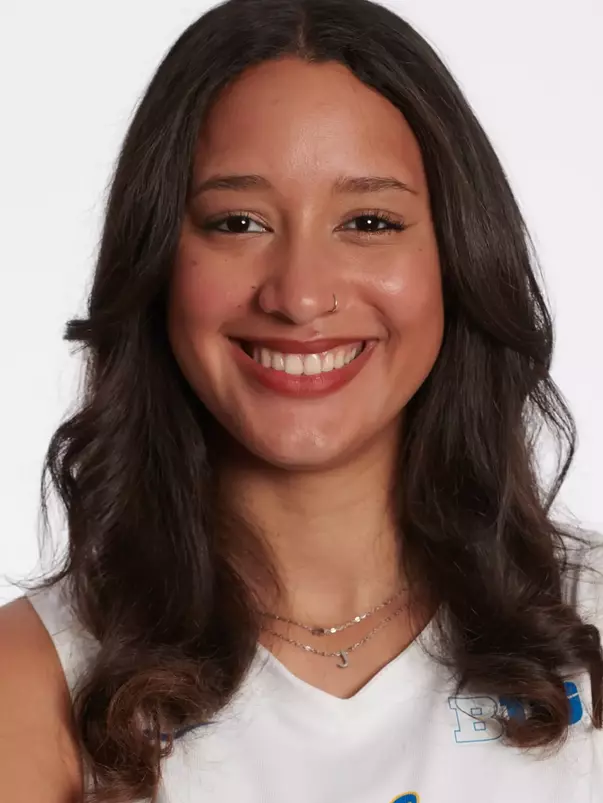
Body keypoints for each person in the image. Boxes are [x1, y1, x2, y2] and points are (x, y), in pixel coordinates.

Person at [0, 0, 601, 800]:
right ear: (156, 265)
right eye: (237, 220)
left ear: (456, 257)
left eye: (368, 220)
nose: (300, 294)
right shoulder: (30, 681)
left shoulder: (588, 627)